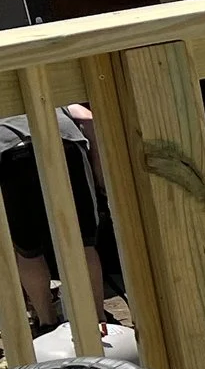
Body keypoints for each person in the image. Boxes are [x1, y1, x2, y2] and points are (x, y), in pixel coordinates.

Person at [0, 107, 119, 336]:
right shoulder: (47, 77)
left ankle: (47, 323)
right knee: (82, 242)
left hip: (9, 153)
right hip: (63, 142)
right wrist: (100, 177)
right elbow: (88, 118)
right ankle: (97, 321)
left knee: (28, 250)